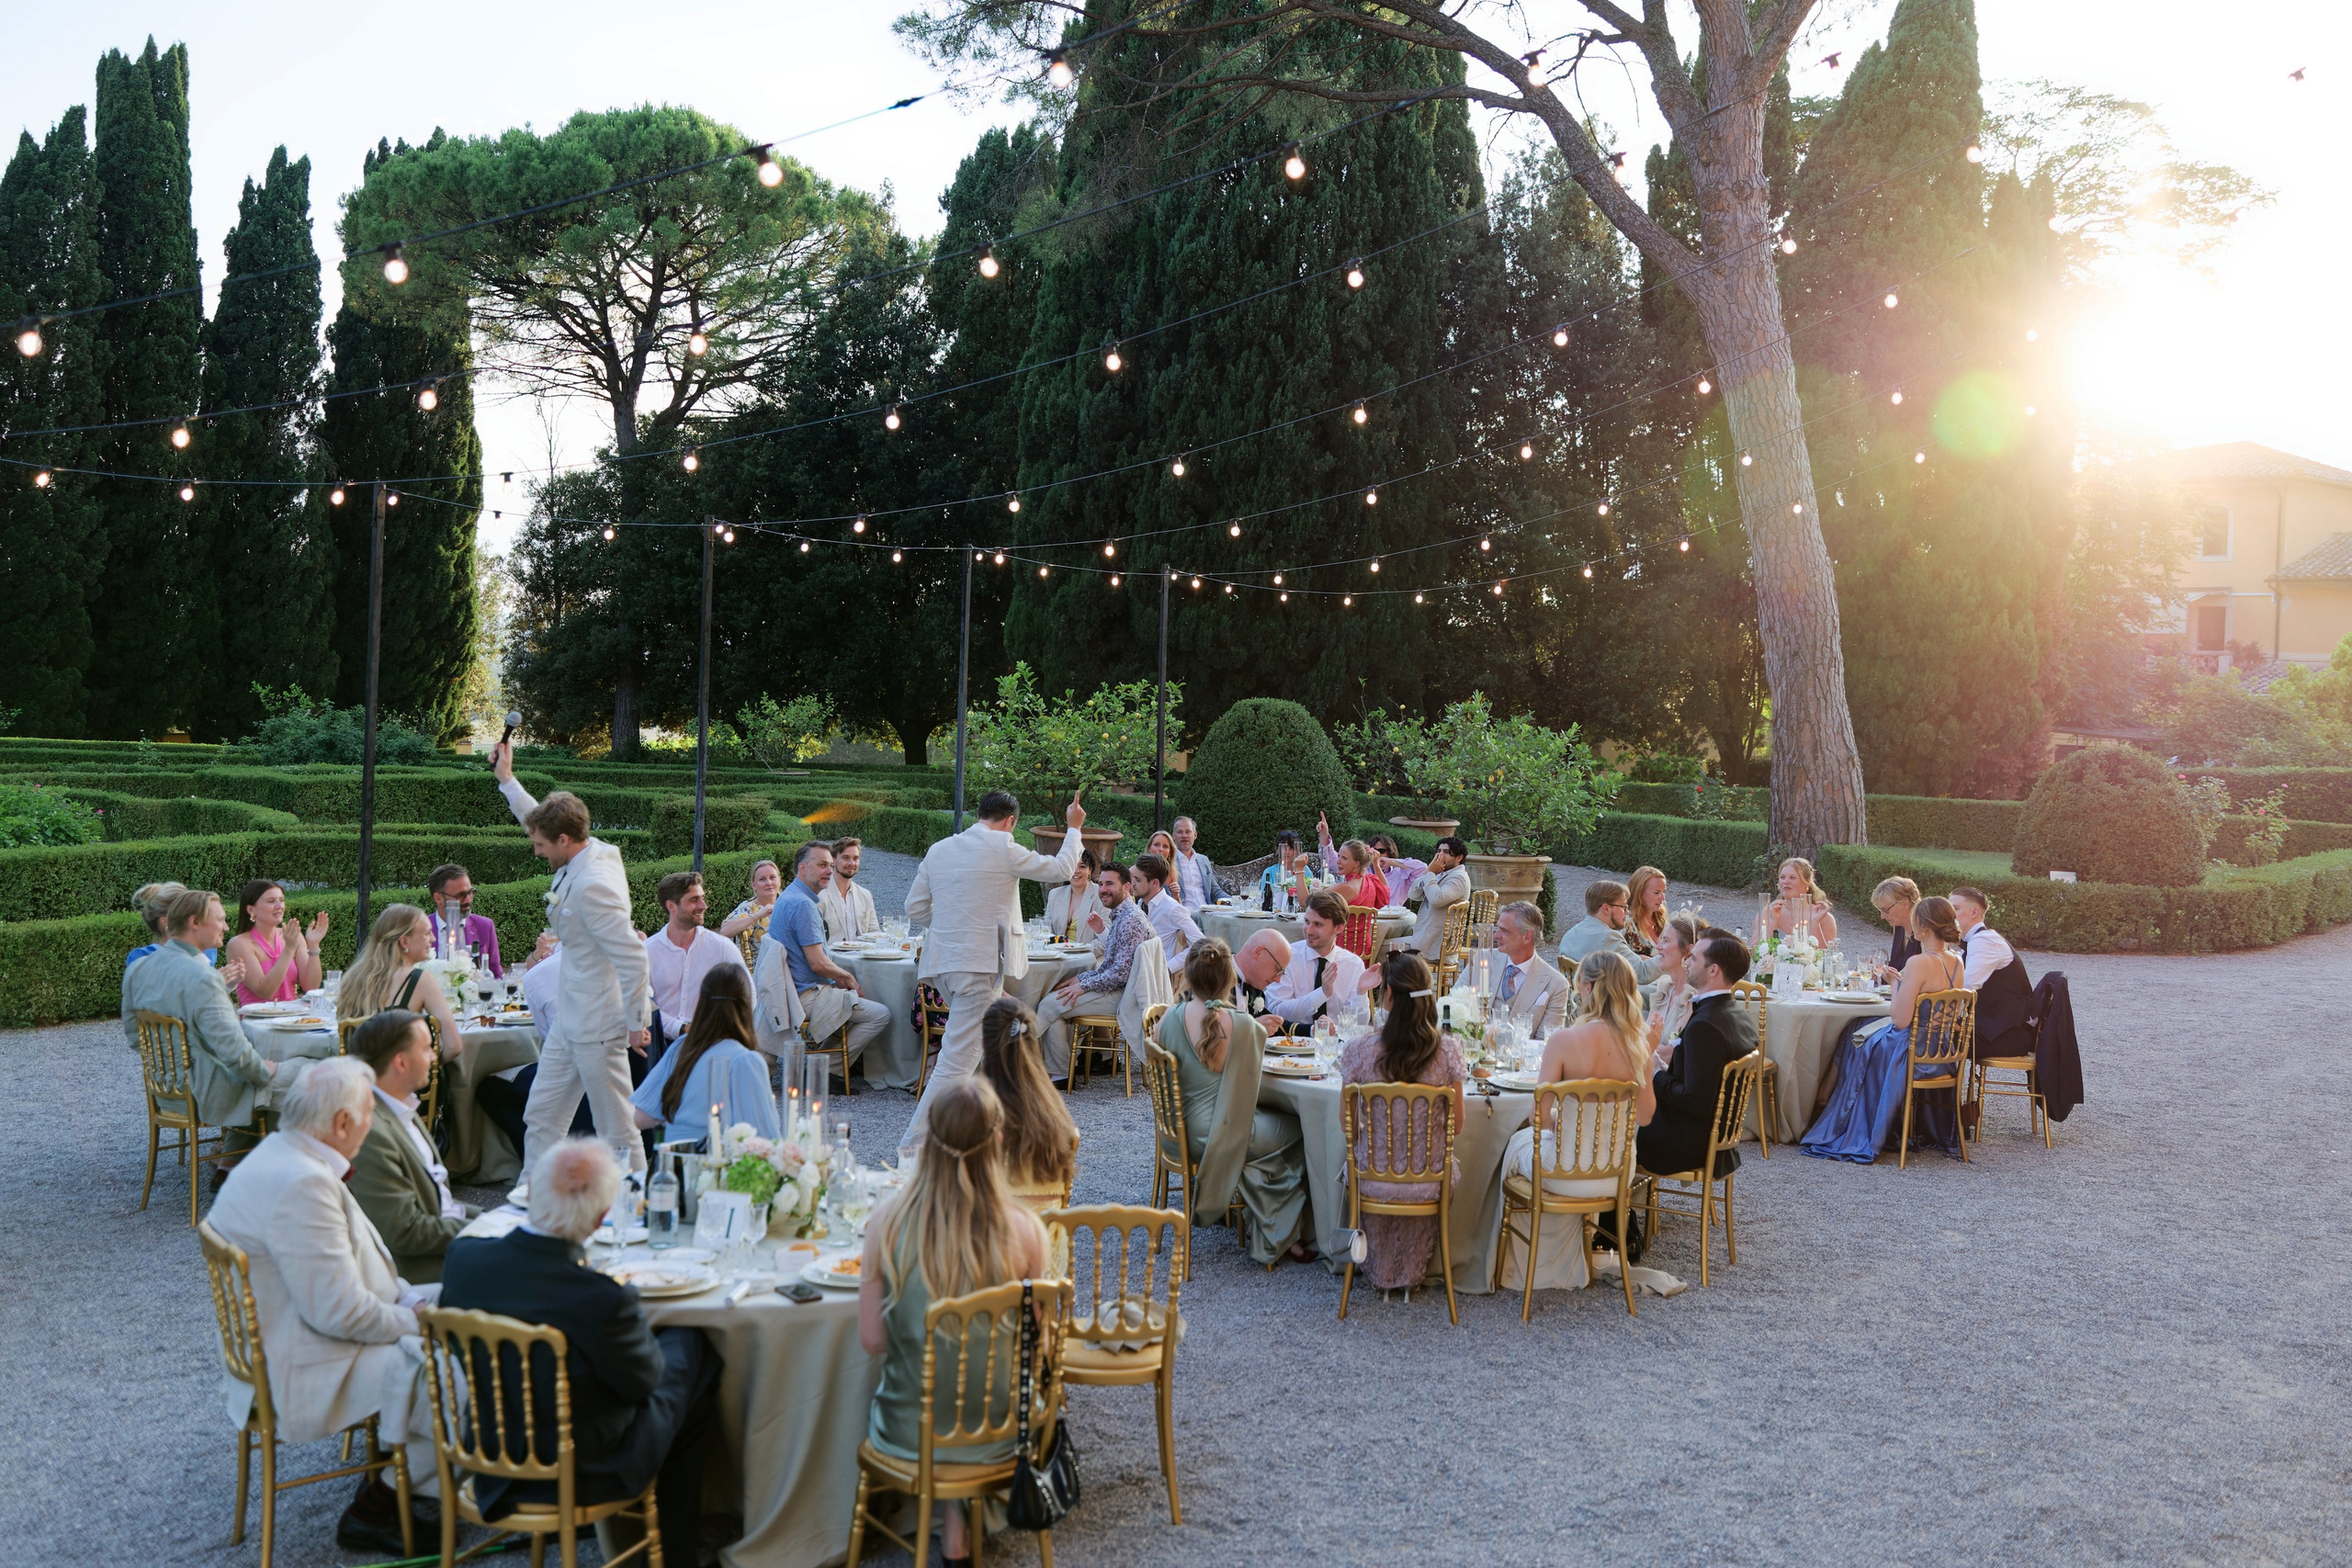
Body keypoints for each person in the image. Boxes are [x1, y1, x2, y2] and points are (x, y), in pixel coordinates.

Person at [439, 1139, 721, 1568]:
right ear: (601, 1218)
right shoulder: (603, 1300)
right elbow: (642, 1384)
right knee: (694, 1349)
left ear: (531, 1193)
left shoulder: (463, 1258)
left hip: (489, 1452)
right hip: (585, 1470)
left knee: (677, 1360)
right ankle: (675, 1550)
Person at [206, 1056, 439, 1558]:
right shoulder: (302, 1183)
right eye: (368, 1114)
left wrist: (414, 1300)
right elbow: (340, 1315)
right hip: (304, 1363)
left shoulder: (281, 1152)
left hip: (291, 1336)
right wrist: (417, 1322)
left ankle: (413, 1463)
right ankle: (381, 1505)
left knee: (469, 1301)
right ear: (341, 1122)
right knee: (447, 1366)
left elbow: (361, 1264)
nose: (373, 1125)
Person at [858, 1079, 1052, 1566]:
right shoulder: (1027, 1230)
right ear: (999, 1143)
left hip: (911, 1432)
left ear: (928, 1141)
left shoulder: (885, 1221)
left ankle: (952, 1523)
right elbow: (1039, 1350)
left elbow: (872, 1340)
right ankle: (961, 1525)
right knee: (973, 1385)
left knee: (937, 1386)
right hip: (1001, 1430)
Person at [899, 787, 1087, 1160]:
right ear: (1011, 821)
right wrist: (1074, 827)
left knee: (986, 1045)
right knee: (956, 1060)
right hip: (978, 966)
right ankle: (914, 1148)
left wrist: (953, 926)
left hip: (943, 967)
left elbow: (914, 907)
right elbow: (1062, 869)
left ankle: (981, 1136)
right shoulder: (1003, 846)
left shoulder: (940, 849)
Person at [492, 740, 652, 1177]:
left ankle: (636, 1205)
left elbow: (634, 956)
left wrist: (637, 1022)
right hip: (570, 1019)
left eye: (542, 844)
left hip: (600, 1024)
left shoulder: (594, 885)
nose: (535, 849)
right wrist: (508, 780)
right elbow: (536, 820)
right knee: (541, 1115)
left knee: (616, 1128)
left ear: (565, 840)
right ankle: (533, 1199)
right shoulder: (589, 847)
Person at [1498, 950, 1657, 1291]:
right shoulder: (1638, 1046)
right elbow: (1644, 1116)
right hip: (1615, 1175)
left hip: (1562, 1173)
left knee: (1513, 1144)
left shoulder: (1564, 1041)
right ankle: (1575, 1258)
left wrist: (1560, 1120)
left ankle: (1518, 1265)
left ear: (1586, 988)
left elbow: (1537, 1119)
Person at [1159, 940, 1311, 1262]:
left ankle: (1270, 1223)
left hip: (1176, 1133)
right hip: (1220, 1135)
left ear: (1189, 975)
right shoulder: (1241, 1026)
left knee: (1258, 1143)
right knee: (1299, 1129)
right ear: (1230, 979)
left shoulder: (1167, 1019)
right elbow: (1249, 1092)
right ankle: (1277, 1230)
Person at [125, 886, 301, 1153]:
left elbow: (134, 1033)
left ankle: (234, 1159)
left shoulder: (138, 968)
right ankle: (287, 1168)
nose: (227, 926)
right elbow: (234, 1052)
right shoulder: (202, 975)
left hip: (167, 1089)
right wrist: (264, 1071)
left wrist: (169, 1071)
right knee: (309, 1074)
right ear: (194, 923)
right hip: (206, 1092)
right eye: (220, 919)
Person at [1336, 952, 1467, 1293]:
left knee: (1348, 1161)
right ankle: (1412, 1273)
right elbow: (1458, 1125)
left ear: (1389, 995)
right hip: (1430, 1181)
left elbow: (1346, 1125)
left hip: (1371, 1178)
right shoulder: (1449, 1051)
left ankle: (1364, 1265)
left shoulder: (1359, 1050)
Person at [1802, 897, 1968, 1162]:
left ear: (1922, 928)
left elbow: (1901, 1020)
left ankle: (1839, 1115)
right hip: (1941, 1050)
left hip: (1912, 1050)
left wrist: (1894, 982)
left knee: (1861, 1041)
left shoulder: (1919, 962)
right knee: (1859, 1028)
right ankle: (1831, 1103)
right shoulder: (1957, 960)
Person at [345, 1010, 469, 1284]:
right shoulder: (370, 1132)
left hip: (445, 1245)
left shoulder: (401, 1106)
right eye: (426, 1049)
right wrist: (486, 1231)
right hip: (420, 1272)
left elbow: (440, 1202)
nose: (435, 1057)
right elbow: (405, 1232)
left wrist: (501, 1218)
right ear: (400, 1062)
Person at [767, 840, 891, 1082]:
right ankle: (826, 1070)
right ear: (803, 869)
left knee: (851, 998)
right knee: (881, 1014)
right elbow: (818, 964)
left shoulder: (790, 896)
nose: (829, 871)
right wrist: (847, 978)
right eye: (823, 865)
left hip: (790, 988)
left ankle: (828, 1058)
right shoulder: (804, 905)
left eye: (830, 865)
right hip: (805, 995)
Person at [1640, 933, 1758, 1182]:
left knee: (1611, 1129)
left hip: (1688, 1144)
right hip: (1718, 1139)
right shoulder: (1737, 1014)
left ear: (1713, 970)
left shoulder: (1705, 1025)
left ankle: (1615, 1214)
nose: (1687, 963)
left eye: (1693, 958)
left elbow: (1695, 1102)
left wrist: (1654, 1074)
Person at [632, 964, 779, 1145]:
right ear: (746, 1006)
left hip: (674, 1163)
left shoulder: (682, 1047)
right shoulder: (746, 1060)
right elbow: (767, 1139)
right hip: (714, 1166)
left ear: (701, 1003)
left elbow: (640, 1117)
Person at [1035, 862, 1148, 1079]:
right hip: (1120, 987)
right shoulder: (1122, 914)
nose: (1103, 889)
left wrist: (1083, 985)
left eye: (1110, 884)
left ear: (1126, 887)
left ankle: (1020, 1054)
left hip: (1125, 996)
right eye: (1101, 883)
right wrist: (1080, 977)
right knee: (1054, 999)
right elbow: (1111, 965)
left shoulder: (1130, 921)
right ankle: (1057, 1073)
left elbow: (1119, 974)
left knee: (1050, 1004)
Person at [337, 904, 466, 1067]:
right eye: (427, 933)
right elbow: (454, 1046)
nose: (433, 938)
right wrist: (432, 1067)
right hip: (404, 1088)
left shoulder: (352, 978)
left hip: (359, 1084)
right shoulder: (420, 980)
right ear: (404, 941)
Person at [976, 997, 1080, 1194]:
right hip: (1050, 1223)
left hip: (1000, 1221)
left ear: (984, 1043)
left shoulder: (981, 1111)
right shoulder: (1054, 1110)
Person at [642, 869, 750, 1059]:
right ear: (671, 906)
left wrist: (723, 1028)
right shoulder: (648, 952)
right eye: (694, 900)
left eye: (702, 898)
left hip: (712, 1044)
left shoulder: (721, 947)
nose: (703, 905)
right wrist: (683, 1029)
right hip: (660, 1046)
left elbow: (748, 993)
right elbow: (642, 1006)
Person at [1951, 886, 2036, 1060]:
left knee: (1928, 1038)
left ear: (1974, 912)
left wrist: (1946, 1020)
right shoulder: (1976, 941)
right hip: (1994, 1030)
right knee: (1924, 1033)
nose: (1949, 915)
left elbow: (1966, 988)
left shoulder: (1985, 941)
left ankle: (1931, 1087)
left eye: (1955, 909)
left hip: (2009, 1036)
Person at [1265, 890, 1365, 1029]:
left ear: (1339, 927)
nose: (1309, 931)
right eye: (1306, 922)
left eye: (1318, 924)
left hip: (1335, 1044)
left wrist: (1361, 993)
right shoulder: (1288, 957)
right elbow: (1277, 1011)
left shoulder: (1353, 964)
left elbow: (1359, 1025)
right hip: (1292, 1041)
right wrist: (1321, 994)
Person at [227, 879, 328, 1005]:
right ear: (251, 910)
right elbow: (264, 992)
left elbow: (311, 987)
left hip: (292, 1015)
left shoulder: (292, 936)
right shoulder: (239, 944)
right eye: (271, 901)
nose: (279, 906)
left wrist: (313, 945)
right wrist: (288, 950)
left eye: (281, 900)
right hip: (258, 1021)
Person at [1489, 900, 1574, 1035]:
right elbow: (1452, 1005)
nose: (1496, 935)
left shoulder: (1555, 984)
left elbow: (1545, 1042)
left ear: (1527, 936)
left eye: (1504, 931)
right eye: (1497, 928)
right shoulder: (1482, 961)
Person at [1557, 881, 1665, 983]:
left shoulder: (1571, 933)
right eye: (1624, 907)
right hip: (1604, 1001)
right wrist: (1669, 955)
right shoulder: (1608, 937)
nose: (1627, 913)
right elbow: (1643, 974)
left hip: (1578, 1000)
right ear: (1606, 909)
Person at [1645, 913, 1707, 1060]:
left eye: (1666, 941)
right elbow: (1646, 1035)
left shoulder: (1693, 999)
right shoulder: (1665, 990)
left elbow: (1670, 1054)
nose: (1658, 947)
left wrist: (1636, 1044)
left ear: (1689, 951)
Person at [1131, 852, 1203, 977]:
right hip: (1135, 971)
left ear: (1154, 883)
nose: (1132, 884)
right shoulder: (1141, 903)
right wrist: (1101, 930)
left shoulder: (1171, 908)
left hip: (1155, 978)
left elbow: (1201, 944)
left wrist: (1168, 968)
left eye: (1137, 880)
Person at [424, 864, 503, 976]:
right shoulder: (420, 930)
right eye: (460, 895)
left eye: (470, 892)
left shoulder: (484, 926)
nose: (468, 900)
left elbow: (496, 976)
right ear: (438, 898)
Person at [1403, 837, 1471, 959]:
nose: (1440, 856)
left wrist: (1430, 873)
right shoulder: (1441, 873)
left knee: (1386, 948)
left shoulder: (1459, 878)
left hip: (1437, 944)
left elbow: (1436, 900)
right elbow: (1413, 895)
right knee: (1384, 943)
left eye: (1446, 852)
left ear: (1459, 858)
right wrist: (1429, 872)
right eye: (1439, 851)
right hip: (1426, 937)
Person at [1756, 856, 1838, 948]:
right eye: (1782, 877)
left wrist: (1815, 924)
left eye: (1792, 878)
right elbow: (1754, 952)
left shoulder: (1824, 918)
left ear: (1807, 882)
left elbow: (1827, 958)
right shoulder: (1767, 912)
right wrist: (1772, 922)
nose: (1786, 882)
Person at [819, 838, 883, 942]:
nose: (851, 863)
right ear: (833, 861)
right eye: (845, 858)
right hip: (831, 956)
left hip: (862, 955)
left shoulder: (865, 895)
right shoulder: (819, 895)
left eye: (855, 858)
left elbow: (874, 932)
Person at [1233, 928, 1291, 1031]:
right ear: (1258, 952)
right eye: (1277, 969)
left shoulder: (1254, 983)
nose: (1278, 980)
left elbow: (1272, 1025)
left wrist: (1312, 1030)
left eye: (1282, 973)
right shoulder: (1216, 977)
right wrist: (1251, 1027)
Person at [1042, 847, 1102, 943]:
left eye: (1082, 866)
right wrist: (1059, 950)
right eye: (1072, 866)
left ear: (1090, 870)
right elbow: (1047, 931)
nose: (1076, 871)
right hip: (1058, 953)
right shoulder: (1054, 894)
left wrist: (1081, 953)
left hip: (1089, 955)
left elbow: (1107, 938)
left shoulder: (1101, 895)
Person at [718, 859, 783, 942]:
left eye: (772, 877)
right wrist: (757, 915)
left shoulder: (789, 904)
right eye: (762, 879)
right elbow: (724, 931)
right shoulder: (749, 908)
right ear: (754, 885)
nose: (769, 883)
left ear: (779, 881)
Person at [1872, 876, 1922, 980]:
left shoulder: (1925, 930)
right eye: (1880, 910)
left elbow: (1925, 973)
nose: (1882, 916)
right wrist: (1878, 969)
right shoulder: (1898, 927)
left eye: (1886, 910)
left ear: (1905, 903)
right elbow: (1897, 968)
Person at [1169, 816, 1218, 908]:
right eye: (1180, 832)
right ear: (1173, 836)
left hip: (1206, 912)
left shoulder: (1203, 860)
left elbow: (1215, 891)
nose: (1184, 836)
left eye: (1188, 832)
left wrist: (1235, 901)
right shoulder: (1168, 861)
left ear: (1195, 835)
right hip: (1184, 913)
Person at [1327, 839, 1389, 910]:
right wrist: (1376, 863)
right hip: (1367, 921)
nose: (1338, 861)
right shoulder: (1370, 881)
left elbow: (1312, 901)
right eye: (1338, 856)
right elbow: (1385, 892)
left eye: (1344, 858)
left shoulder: (1346, 887)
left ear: (1356, 863)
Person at [1259, 830, 1313, 908]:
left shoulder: (1305, 870)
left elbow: (1310, 898)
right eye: (1284, 848)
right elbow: (1263, 897)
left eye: (1291, 848)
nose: (1288, 852)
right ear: (1277, 849)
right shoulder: (1269, 872)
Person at [1623, 865, 1668, 957]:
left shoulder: (1661, 920)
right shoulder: (1627, 923)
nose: (1663, 898)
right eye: (1657, 892)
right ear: (1639, 893)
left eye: (1663, 892)